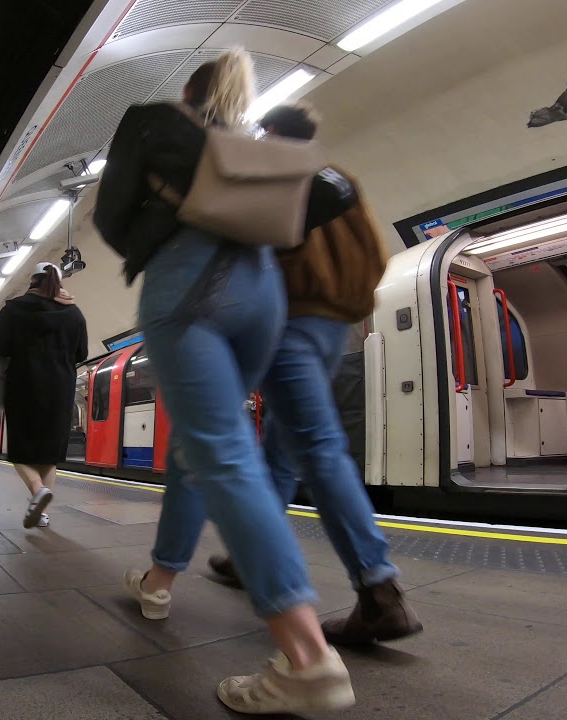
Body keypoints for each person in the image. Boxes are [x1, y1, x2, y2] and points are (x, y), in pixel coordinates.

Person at [95, 50, 355, 715]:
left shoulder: (154, 121)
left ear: (189, 89)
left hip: (190, 284)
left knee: (223, 454)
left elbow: (110, 216)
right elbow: (332, 192)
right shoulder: (256, 148)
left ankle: (307, 659)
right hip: (264, 292)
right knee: (203, 448)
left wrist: (162, 222)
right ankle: (158, 580)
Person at [204, 104, 422, 646]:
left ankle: (379, 589)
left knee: (317, 446)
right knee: (281, 446)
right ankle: (251, 556)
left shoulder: (276, 173)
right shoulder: (340, 179)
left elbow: (250, 259)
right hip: (335, 327)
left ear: (272, 132)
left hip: (292, 323)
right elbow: (374, 254)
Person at [0, 263, 88, 529]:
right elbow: (82, 353)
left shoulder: (15, 308)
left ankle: (37, 489)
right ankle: (43, 514)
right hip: (61, 388)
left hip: (24, 384)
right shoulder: (74, 313)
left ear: (32, 281)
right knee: (49, 454)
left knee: (20, 450)